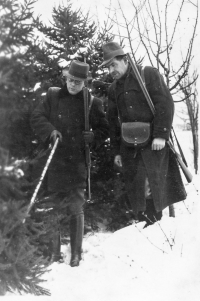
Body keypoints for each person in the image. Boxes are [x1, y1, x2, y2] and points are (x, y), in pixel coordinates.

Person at [30, 60, 109, 266]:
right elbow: (37, 116)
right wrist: (50, 131)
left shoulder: (92, 102)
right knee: (54, 206)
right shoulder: (53, 96)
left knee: (75, 206)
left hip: (77, 163)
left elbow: (105, 129)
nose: (73, 85)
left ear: (85, 82)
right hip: (55, 160)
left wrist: (93, 137)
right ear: (65, 79)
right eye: (70, 80)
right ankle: (54, 254)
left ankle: (76, 254)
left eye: (78, 82)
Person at [99, 41, 187, 227]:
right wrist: (116, 152)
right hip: (129, 147)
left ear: (125, 60)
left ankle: (155, 228)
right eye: (108, 67)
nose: (111, 70)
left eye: (114, 65)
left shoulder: (147, 74)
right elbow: (113, 123)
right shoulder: (113, 89)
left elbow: (165, 104)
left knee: (153, 187)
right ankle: (146, 227)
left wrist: (161, 135)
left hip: (154, 143)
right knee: (138, 188)